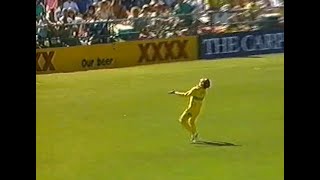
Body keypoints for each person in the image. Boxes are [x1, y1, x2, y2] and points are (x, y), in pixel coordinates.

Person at [168, 78, 211, 143]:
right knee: (191, 122)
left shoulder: (196, 89)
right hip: (198, 109)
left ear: (202, 84)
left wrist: (175, 92)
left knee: (182, 120)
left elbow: (186, 95)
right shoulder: (204, 91)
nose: (200, 81)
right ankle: (195, 135)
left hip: (191, 109)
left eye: (201, 81)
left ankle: (194, 134)